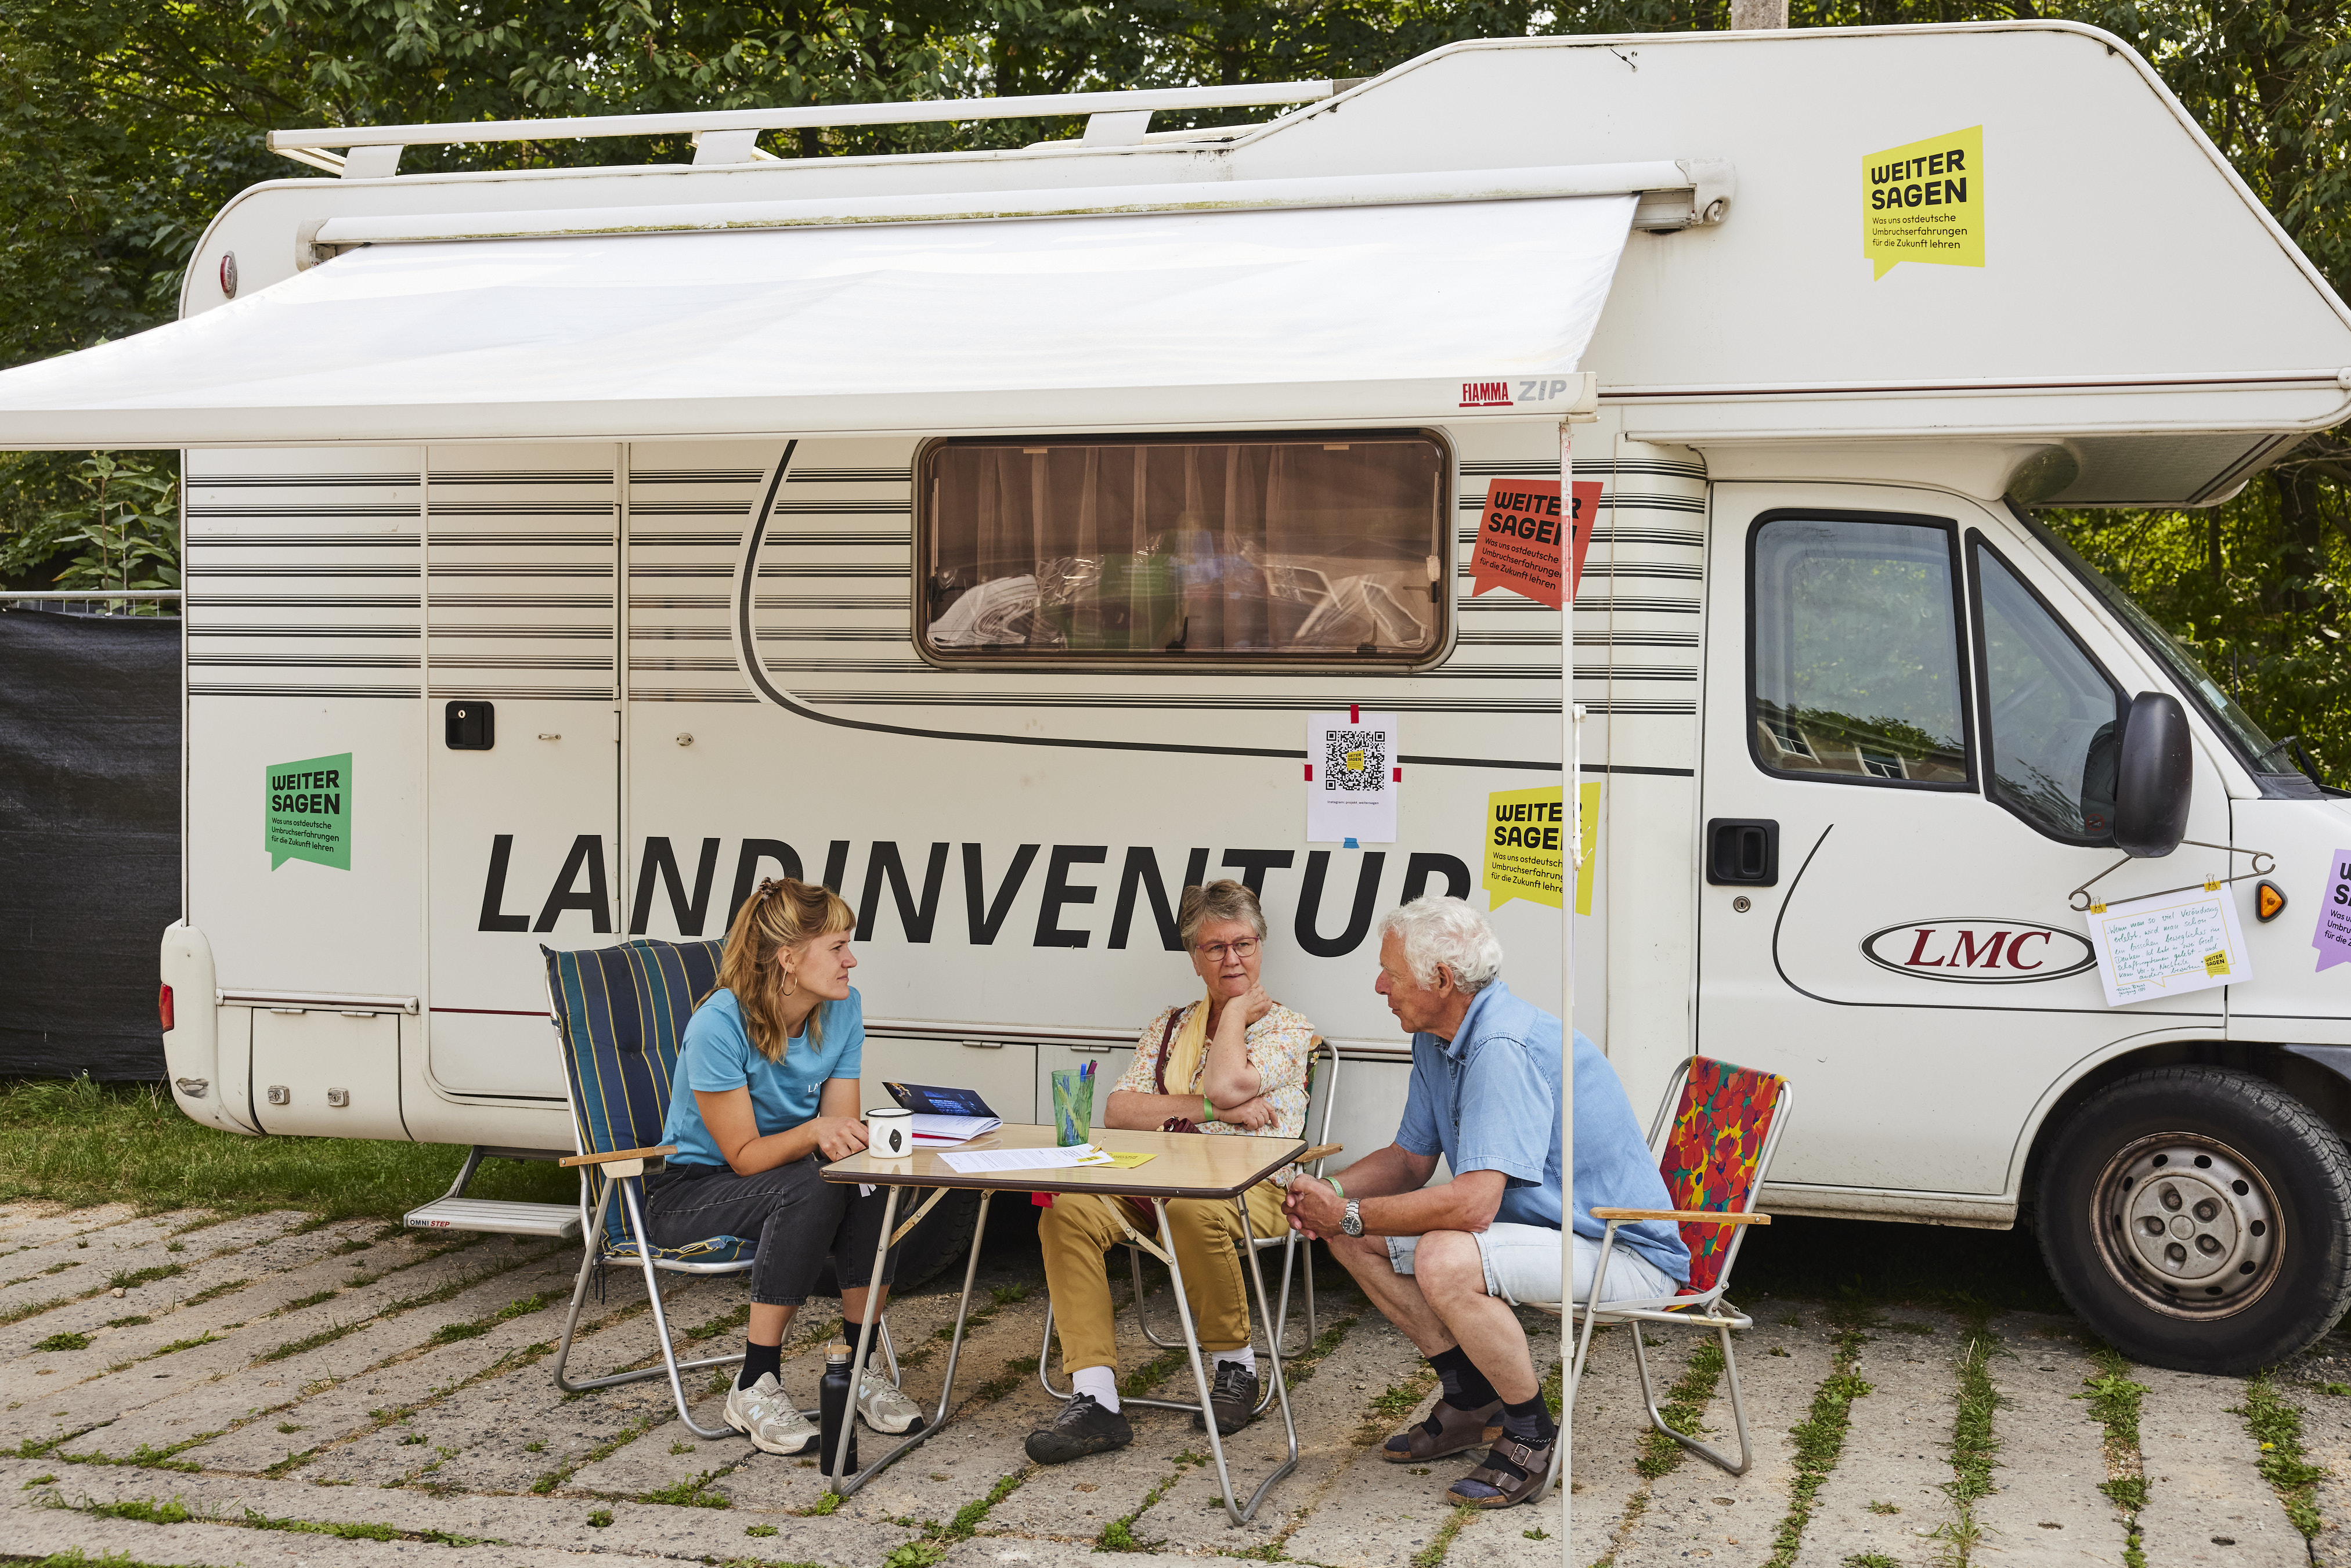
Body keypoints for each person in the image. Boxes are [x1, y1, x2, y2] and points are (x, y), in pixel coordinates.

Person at [1282, 895, 1689, 1509]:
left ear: (1440, 980)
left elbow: (1472, 1206)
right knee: (1351, 1235)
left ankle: (1530, 1434)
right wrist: (1330, 1194)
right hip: (1551, 1230)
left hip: (1621, 1250)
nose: (1379, 985)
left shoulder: (1499, 1046)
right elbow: (1410, 1158)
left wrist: (1346, 1211)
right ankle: (1472, 1399)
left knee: (1444, 1256)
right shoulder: (1439, 1033)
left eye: (1390, 973)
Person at [1024, 879, 1317, 1465]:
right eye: (1215, 947)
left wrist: (1233, 1014)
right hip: (1153, 1174)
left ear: (1261, 946)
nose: (1232, 958)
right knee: (1062, 1205)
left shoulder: (1287, 1028)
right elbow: (1119, 1110)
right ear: (1194, 957)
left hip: (1252, 1184)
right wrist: (1210, 1112)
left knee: (1191, 1207)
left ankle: (1234, 1365)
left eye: (1244, 943)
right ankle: (1095, 1396)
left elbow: (1228, 1081)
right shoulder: (1169, 1026)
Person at [642, 876, 926, 1457]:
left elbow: (839, 1141)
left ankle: (857, 1368)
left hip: (784, 1178)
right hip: (693, 1189)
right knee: (810, 1189)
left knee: (875, 1183)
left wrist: (863, 1144)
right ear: (788, 959)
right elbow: (743, 1155)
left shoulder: (841, 1010)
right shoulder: (719, 1024)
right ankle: (753, 1381)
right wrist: (815, 1133)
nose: (852, 959)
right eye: (837, 947)